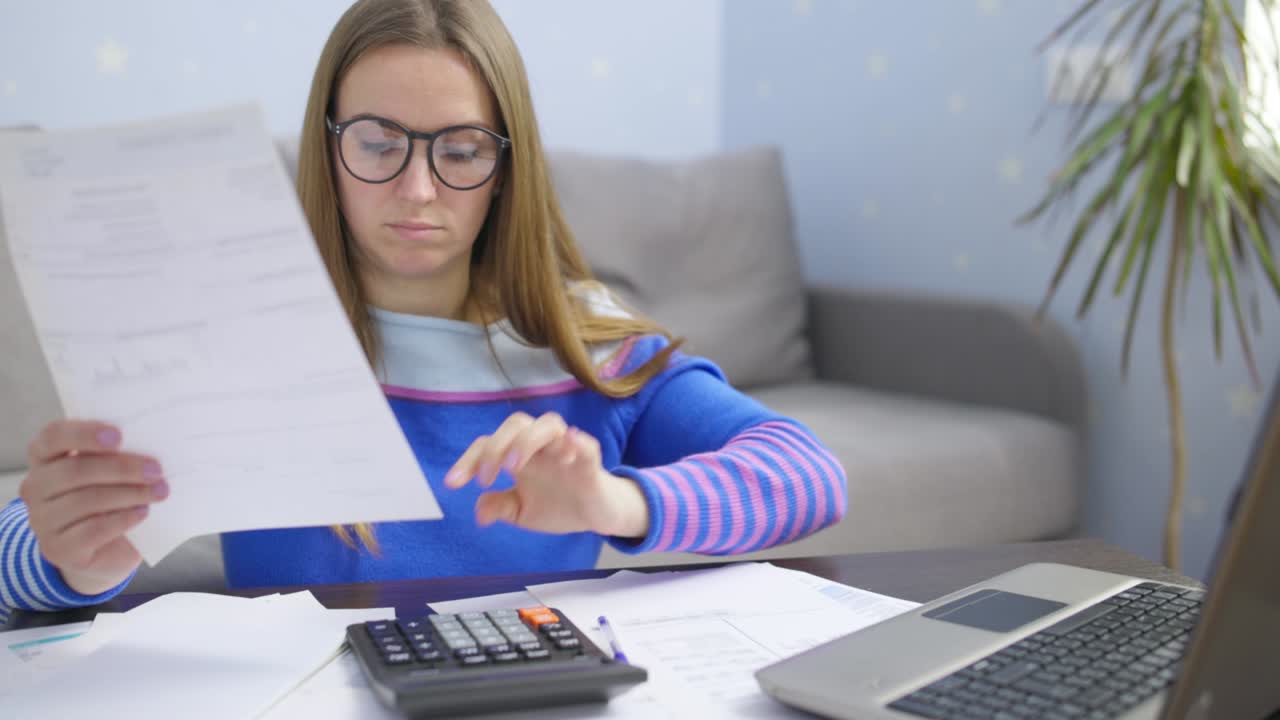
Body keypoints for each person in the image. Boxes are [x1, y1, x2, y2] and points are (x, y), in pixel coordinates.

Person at [0, 0, 847, 620]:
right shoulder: (237, 337)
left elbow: (809, 476)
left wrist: (616, 504)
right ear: (328, 147)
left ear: (507, 169)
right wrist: (72, 562)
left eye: (461, 151)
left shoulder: (584, 345)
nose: (416, 190)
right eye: (378, 144)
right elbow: (18, 554)